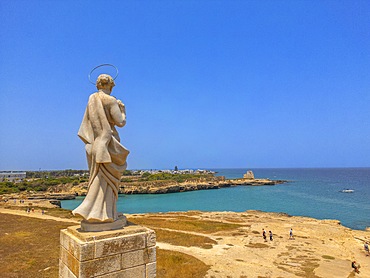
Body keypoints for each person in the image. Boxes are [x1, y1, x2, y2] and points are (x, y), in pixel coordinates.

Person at [73, 74, 129, 223]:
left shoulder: (91, 99)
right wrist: (123, 110)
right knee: (106, 181)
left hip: (93, 144)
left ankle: (101, 213)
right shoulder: (110, 100)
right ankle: (104, 215)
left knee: (97, 179)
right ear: (111, 85)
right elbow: (120, 122)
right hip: (107, 145)